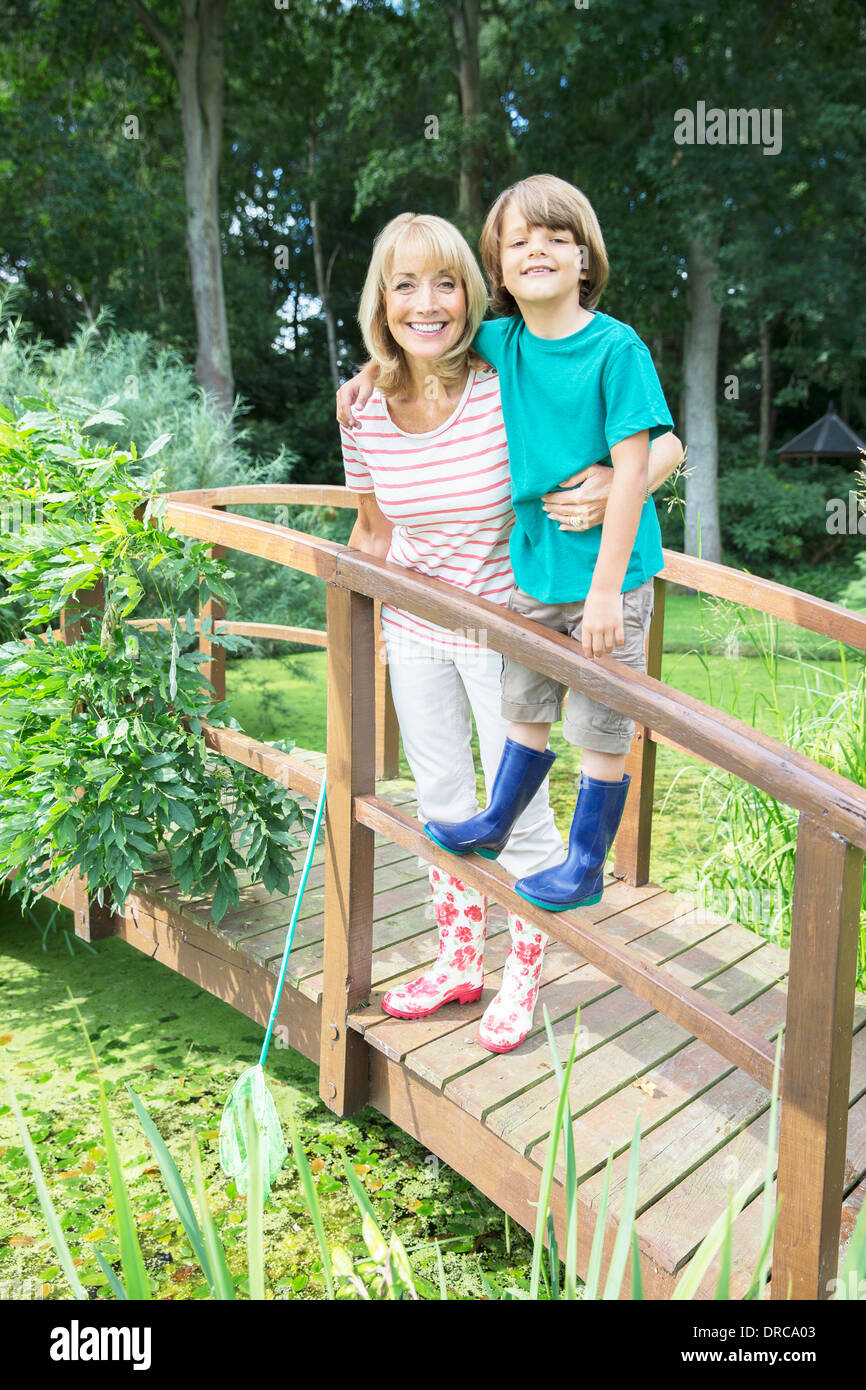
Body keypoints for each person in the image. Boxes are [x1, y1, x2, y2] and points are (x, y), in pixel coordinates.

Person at [339, 206, 683, 1051]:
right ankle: (461, 958)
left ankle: (524, 973)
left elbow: (660, 442)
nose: (427, 303)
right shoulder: (364, 408)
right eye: (405, 285)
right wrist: (357, 625)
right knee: (444, 802)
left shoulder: (506, 380)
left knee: (521, 815)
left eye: (446, 282)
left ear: (473, 295)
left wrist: (610, 482)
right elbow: (373, 532)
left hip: (509, 623)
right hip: (417, 630)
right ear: (381, 301)